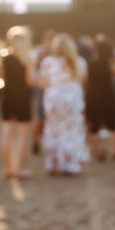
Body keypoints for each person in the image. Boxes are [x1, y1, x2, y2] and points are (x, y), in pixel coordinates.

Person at [39, 32, 89, 175]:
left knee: (54, 130)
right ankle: (70, 164)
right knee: (72, 131)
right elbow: (83, 81)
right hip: (72, 99)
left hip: (53, 99)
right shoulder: (80, 62)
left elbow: (42, 84)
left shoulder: (48, 62)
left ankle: (53, 163)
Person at [0, 26, 35, 179]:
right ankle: (18, 168)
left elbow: (2, 77)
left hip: (7, 97)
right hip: (22, 97)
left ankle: (8, 168)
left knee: (6, 132)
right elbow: (30, 80)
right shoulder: (27, 59)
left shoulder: (5, 57)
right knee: (22, 135)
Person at [84, 37, 115, 161]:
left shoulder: (91, 63)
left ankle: (98, 151)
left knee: (94, 125)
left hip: (93, 96)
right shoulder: (109, 62)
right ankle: (114, 151)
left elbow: (86, 80)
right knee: (113, 123)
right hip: (108, 96)